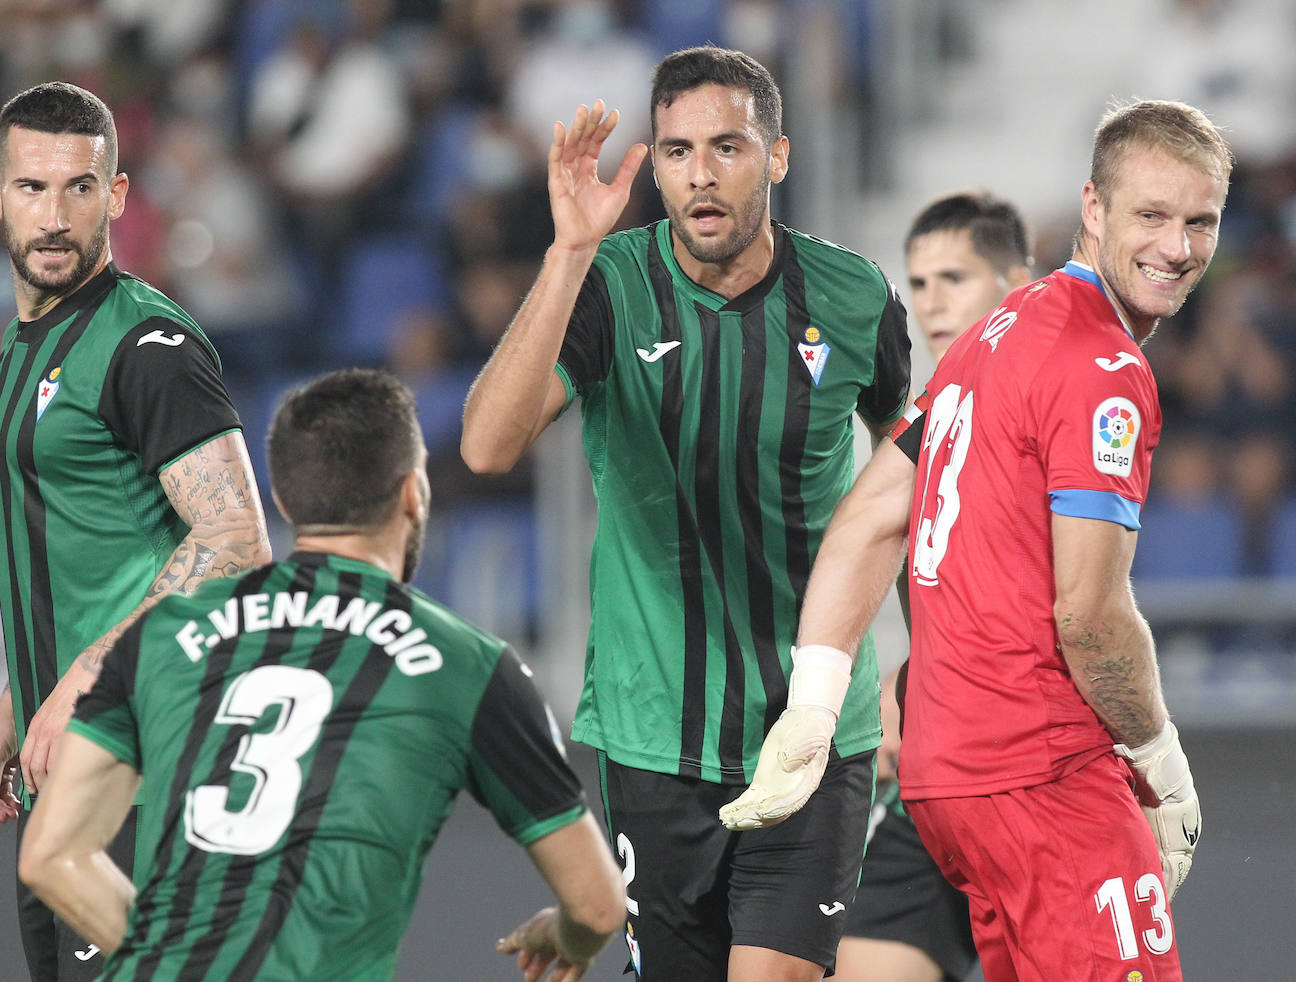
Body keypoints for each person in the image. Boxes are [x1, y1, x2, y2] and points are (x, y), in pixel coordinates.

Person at [736, 99, 1230, 981]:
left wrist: (815, 699)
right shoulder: (1106, 368)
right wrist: (1164, 764)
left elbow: (871, 514)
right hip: (1044, 774)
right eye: (1152, 215)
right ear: (1093, 209)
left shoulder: (987, 340)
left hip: (947, 782)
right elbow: (1088, 615)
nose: (1179, 246)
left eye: (1202, 221)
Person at [461, 45, 912, 982]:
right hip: (654, 734)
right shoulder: (607, 287)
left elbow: (909, 484)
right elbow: (485, 448)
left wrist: (924, 671)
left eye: (728, 147)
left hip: (812, 730)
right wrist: (568, 249)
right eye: (675, 151)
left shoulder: (857, 297)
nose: (700, 173)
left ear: (779, 157)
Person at [17, 367, 628, 982]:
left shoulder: (160, 631)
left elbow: (49, 856)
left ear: (283, 500)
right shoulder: (465, 662)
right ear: (413, 493)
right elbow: (599, 906)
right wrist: (568, 936)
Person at [0, 81, 273, 982]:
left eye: (78, 188)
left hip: (143, 768)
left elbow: (237, 540)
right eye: (30, 188)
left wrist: (83, 673)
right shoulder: (18, 352)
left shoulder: (146, 345)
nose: (53, 216)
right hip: (63, 776)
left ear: (116, 196)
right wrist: (16, 701)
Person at [834, 191, 1034, 982]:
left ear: (1018, 283)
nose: (932, 301)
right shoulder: (935, 412)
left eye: (955, 276)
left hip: (1033, 772)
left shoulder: (1048, 403)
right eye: (918, 283)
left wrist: (918, 689)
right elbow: (864, 531)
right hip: (937, 768)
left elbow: (1059, 607)